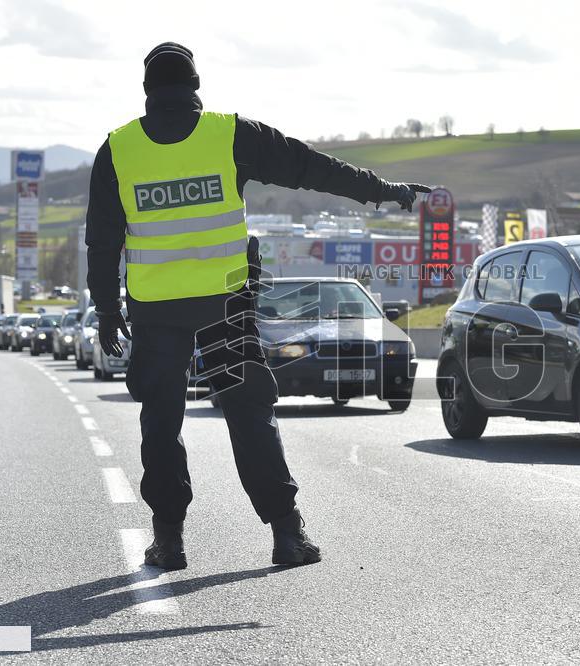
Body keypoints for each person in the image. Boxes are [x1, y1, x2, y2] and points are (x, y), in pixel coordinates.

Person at [85, 42, 430, 570]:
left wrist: (108, 311)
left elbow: (103, 239)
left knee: (161, 422)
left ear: (148, 91)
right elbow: (310, 166)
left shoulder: (119, 148)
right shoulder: (230, 134)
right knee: (250, 415)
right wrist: (384, 191)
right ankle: (288, 535)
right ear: (196, 86)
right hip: (225, 301)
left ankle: (169, 540)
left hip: (156, 309)